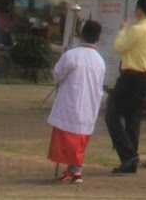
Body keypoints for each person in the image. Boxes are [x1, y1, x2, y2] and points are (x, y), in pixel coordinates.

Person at [107, 0, 146, 174]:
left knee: (112, 114)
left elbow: (119, 46)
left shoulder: (137, 29)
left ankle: (128, 153)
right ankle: (130, 159)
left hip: (131, 75)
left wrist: (123, 30)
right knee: (133, 118)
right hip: (145, 77)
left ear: (139, 10)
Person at [49, 19, 106, 184]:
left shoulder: (72, 55)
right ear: (98, 38)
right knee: (78, 137)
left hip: (70, 100)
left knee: (68, 138)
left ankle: (74, 170)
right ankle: (74, 168)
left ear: (81, 34)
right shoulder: (99, 60)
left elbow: (57, 75)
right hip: (89, 103)